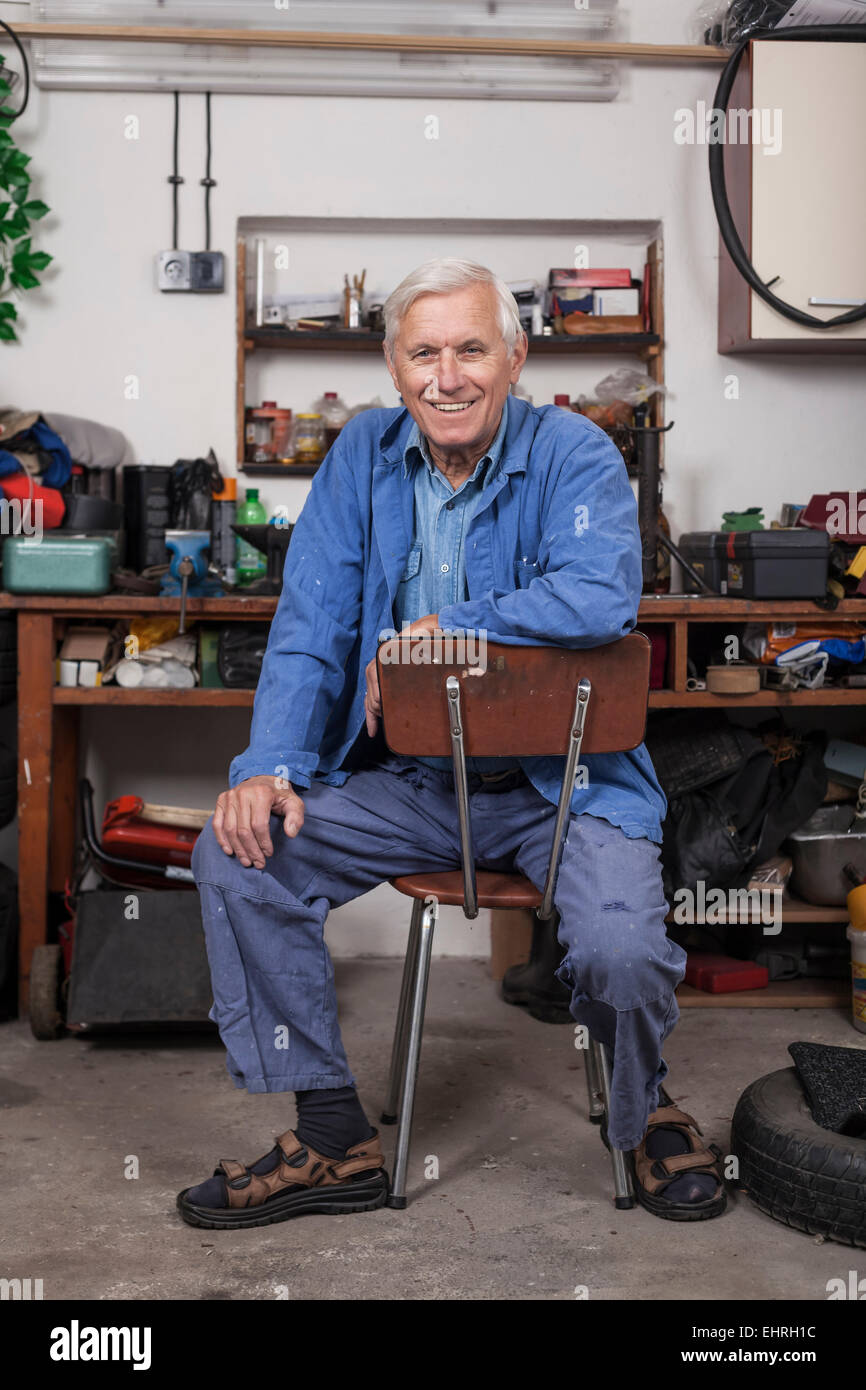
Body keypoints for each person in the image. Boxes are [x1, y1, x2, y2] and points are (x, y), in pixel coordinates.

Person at [177, 258, 726, 1228]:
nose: (447, 375)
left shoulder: (575, 453)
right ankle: (333, 1131)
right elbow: (308, 626)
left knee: (616, 946)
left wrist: (441, 630)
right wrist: (267, 767)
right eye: (423, 352)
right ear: (393, 366)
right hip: (415, 784)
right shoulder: (360, 455)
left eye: (470, 348)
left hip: (564, 784)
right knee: (236, 852)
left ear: (514, 357)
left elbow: (598, 594)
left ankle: (643, 1110)